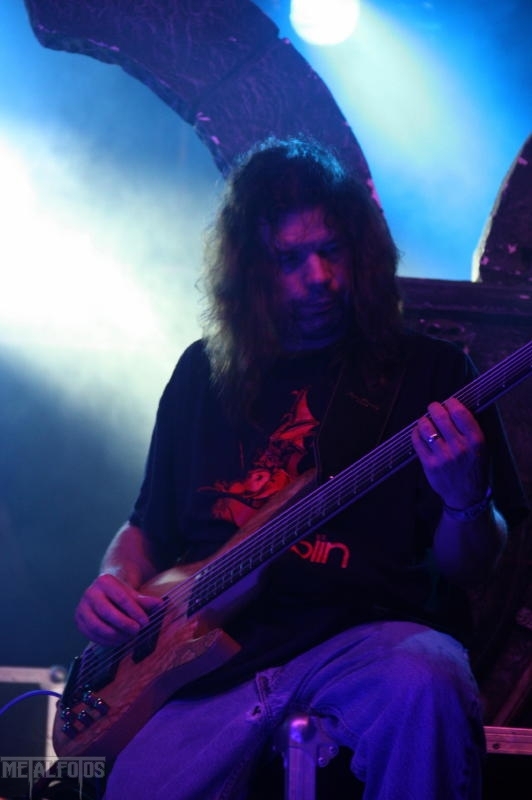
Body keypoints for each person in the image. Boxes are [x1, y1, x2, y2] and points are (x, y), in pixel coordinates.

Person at [75, 136, 528, 800]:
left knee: (428, 681)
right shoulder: (202, 373)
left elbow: (473, 567)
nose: (319, 278)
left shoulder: (431, 374)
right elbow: (147, 524)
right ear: (250, 271)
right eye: (290, 259)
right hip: (207, 667)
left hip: (366, 643)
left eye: (332, 250)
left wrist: (467, 501)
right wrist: (115, 578)